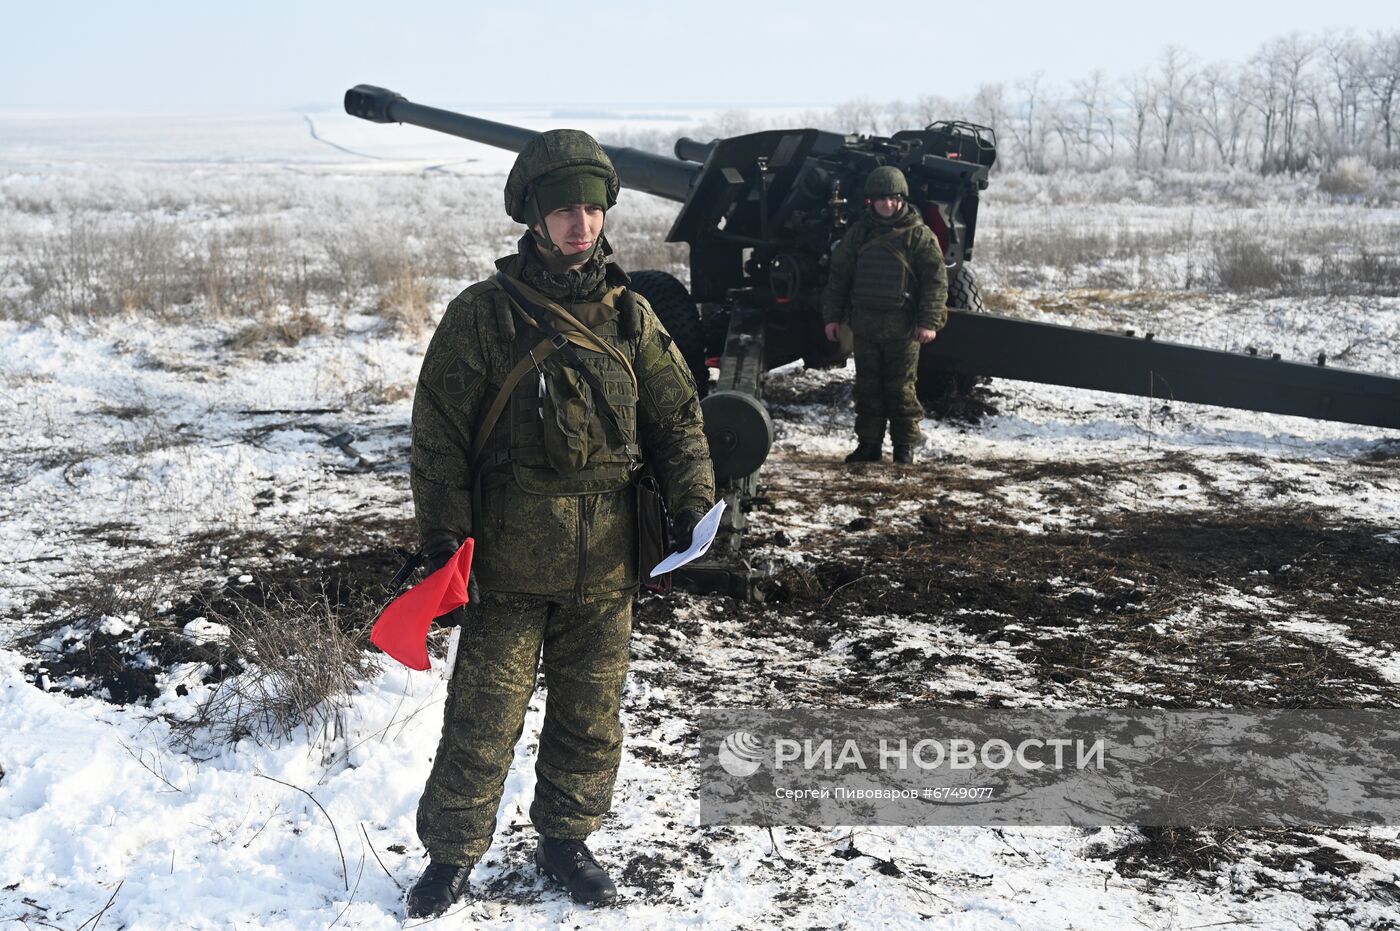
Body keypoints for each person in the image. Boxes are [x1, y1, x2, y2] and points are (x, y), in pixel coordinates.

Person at [403, 128, 715, 917]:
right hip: (508, 566)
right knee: (482, 720)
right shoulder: (482, 317)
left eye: (592, 208)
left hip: (607, 568)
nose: (581, 224)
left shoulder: (632, 317)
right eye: (564, 210)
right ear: (534, 218)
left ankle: (567, 840)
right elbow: (437, 431)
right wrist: (444, 533)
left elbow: (678, 419)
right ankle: (450, 855)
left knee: (589, 717)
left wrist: (692, 504)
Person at [820, 165, 948, 465]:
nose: (887, 205)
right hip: (864, 327)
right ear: (871, 201)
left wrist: (929, 322)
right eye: (880, 199)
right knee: (867, 389)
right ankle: (869, 444)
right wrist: (832, 317)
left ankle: (904, 446)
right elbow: (839, 277)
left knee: (901, 389)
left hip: (903, 329)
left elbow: (936, 282)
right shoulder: (859, 234)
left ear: (901, 199)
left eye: (892, 198)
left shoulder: (918, 236)